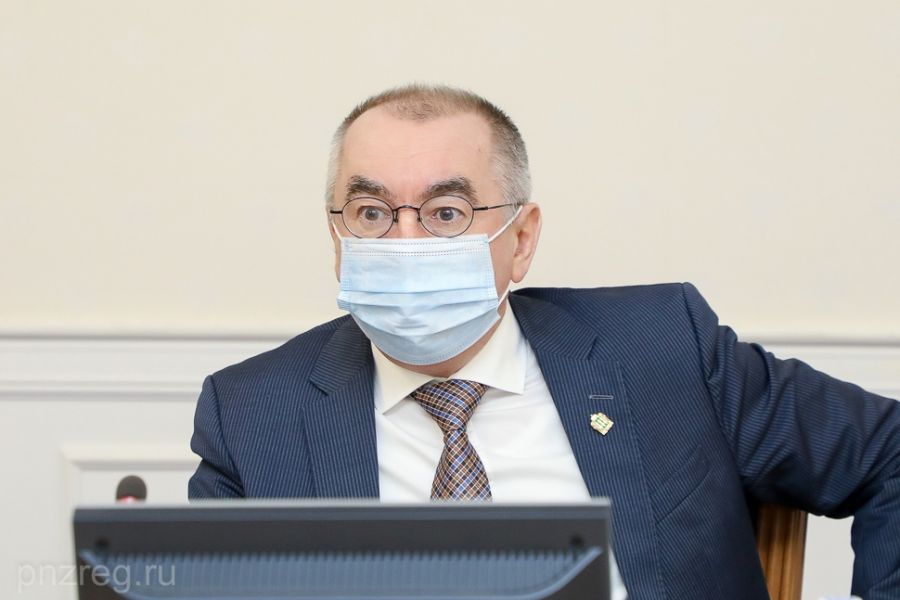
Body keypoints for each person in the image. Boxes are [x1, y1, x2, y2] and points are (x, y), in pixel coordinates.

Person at [188, 84, 900, 599]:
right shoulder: (252, 414)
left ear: (521, 239)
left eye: (446, 212)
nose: (404, 241)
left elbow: (887, 451)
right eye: (371, 211)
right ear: (336, 235)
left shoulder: (665, 348)